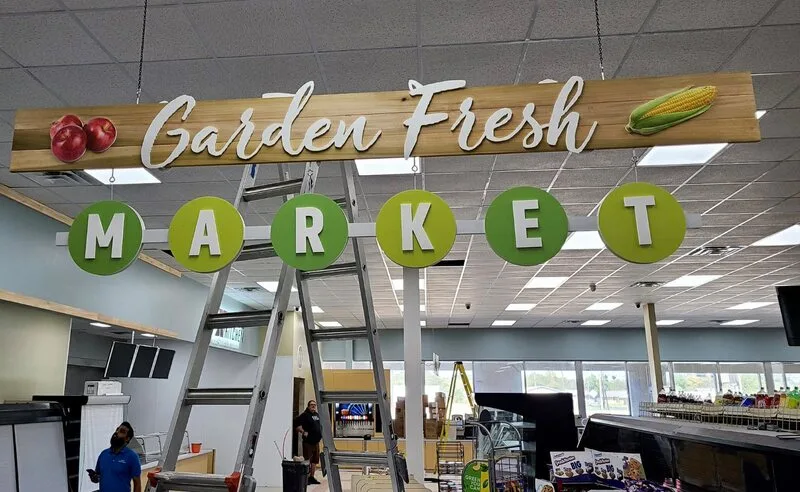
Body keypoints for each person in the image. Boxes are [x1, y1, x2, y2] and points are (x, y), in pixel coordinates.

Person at [88, 421, 142, 492]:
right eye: (117, 429)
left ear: (127, 439)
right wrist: (94, 477)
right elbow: (97, 478)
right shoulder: (103, 454)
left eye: (121, 431)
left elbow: (137, 484)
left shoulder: (132, 457)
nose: (117, 432)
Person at [294, 400, 322, 484]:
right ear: (308, 406)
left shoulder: (316, 415)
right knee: (308, 460)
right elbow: (296, 423)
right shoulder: (305, 415)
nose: (313, 406)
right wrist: (303, 432)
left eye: (314, 405)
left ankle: (311, 477)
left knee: (315, 461)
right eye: (312, 405)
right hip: (308, 442)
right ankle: (306, 477)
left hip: (316, 442)